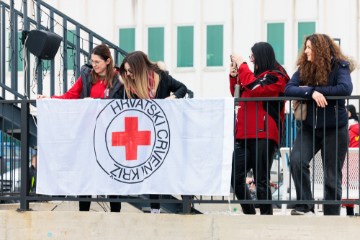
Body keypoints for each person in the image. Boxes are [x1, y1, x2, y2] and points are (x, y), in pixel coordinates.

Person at [38, 44, 123, 212]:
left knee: (112, 178)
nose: (94, 65)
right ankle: (83, 214)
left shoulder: (119, 79)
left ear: (108, 61)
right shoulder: (86, 76)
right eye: (92, 61)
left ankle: (116, 216)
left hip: (111, 135)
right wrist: (50, 98)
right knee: (87, 174)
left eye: (98, 62)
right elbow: (71, 95)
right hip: (89, 134)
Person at [285, 33, 354, 215]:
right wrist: (311, 92)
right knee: (297, 161)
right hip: (309, 128)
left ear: (320, 49)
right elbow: (288, 88)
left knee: (331, 177)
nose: (306, 51)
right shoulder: (304, 68)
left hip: (335, 130)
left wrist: (315, 90)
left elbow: (345, 88)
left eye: (309, 48)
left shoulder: (340, 66)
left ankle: (331, 218)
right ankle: (306, 206)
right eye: (305, 47)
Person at [118, 51, 187, 213]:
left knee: (170, 167)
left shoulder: (160, 77)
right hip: (143, 132)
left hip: (164, 130)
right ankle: (155, 208)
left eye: (130, 71)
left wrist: (172, 99)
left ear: (140, 68)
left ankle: (186, 201)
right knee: (151, 170)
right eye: (126, 71)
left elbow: (182, 88)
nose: (128, 74)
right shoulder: (129, 84)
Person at [229, 42, 290, 215]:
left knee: (261, 180)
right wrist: (234, 76)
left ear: (261, 57)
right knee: (235, 176)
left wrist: (242, 66)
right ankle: (249, 213)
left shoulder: (276, 76)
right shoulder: (252, 78)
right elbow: (239, 94)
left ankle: (266, 217)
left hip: (264, 133)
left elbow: (256, 89)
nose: (251, 60)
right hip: (244, 134)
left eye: (253, 57)